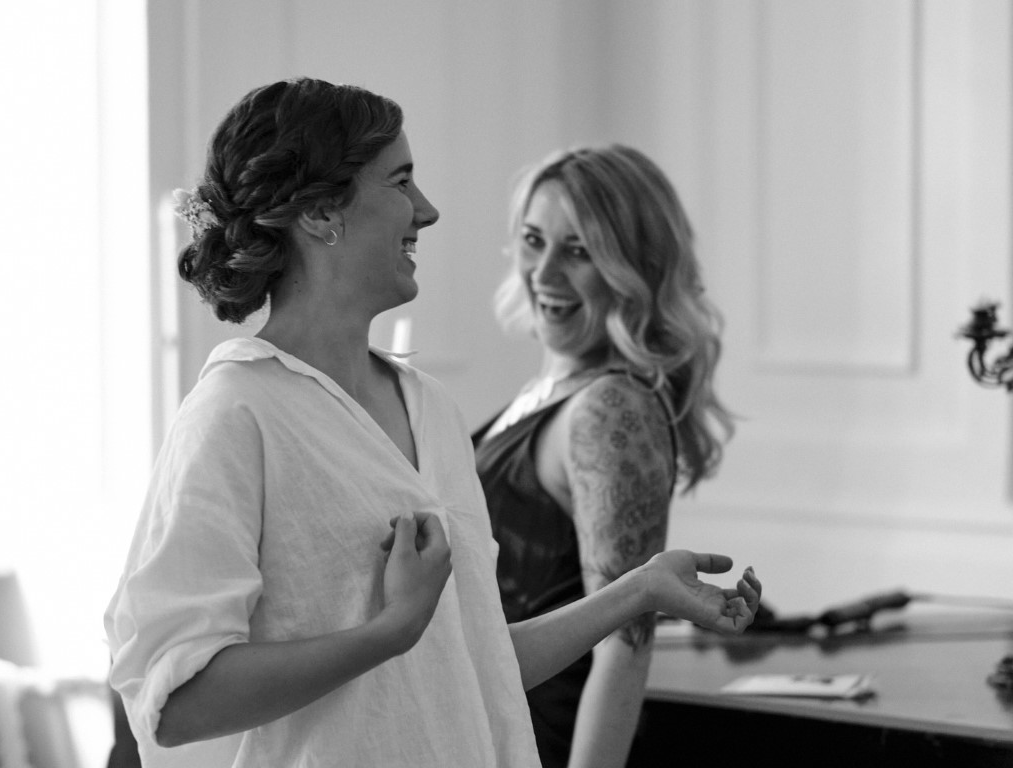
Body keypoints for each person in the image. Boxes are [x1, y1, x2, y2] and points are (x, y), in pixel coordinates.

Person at [104, 78, 761, 768]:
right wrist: (388, 631)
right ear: (322, 213)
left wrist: (640, 588)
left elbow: (472, 666)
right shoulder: (235, 413)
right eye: (401, 182)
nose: (428, 210)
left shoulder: (431, 409)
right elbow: (176, 704)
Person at [473, 144, 735, 767]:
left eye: (579, 251)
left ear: (633, 267)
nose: (544, 273)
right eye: (534, 241)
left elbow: (625, 647)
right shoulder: (550, 391)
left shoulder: (609, 407)